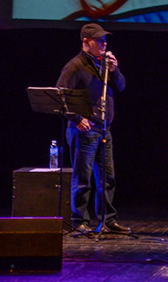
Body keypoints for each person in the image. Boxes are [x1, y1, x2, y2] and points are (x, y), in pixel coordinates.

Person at [56, 23, 131, 234]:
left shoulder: (104, 64)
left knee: (107, 177)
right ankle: (79, 220)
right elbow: (60, 96)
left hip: (103, 128)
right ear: (86, 42)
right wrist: (77, 118)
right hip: (83, 130)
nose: (104, 43)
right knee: (83, 178)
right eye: (99, 40)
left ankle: (108, 220)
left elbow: (121, 86)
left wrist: (115, 70)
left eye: (105, 40)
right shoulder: (75, 66)